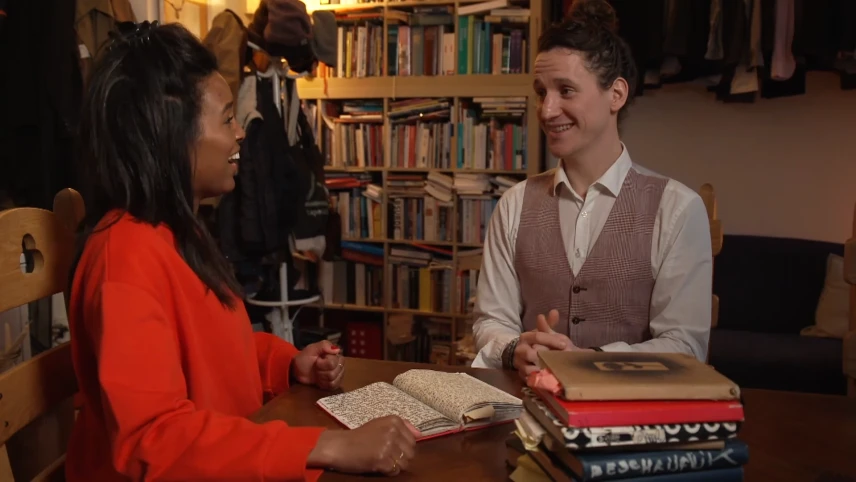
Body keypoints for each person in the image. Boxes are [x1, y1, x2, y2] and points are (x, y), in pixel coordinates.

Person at [66, 21, 416, 481]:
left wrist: (285, 363)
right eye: (227, 117)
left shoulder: (175, 234)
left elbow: (211, 348)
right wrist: (329, 445)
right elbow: (154, 441)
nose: (240, 134)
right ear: (171, 130)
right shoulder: (125, 259)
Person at [471, 0, 713, 379]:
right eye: (541, 92)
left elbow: (685, 345)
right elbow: (491, 321)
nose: (547, 110)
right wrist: (513, 347)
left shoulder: (678, 209)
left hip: (632, 420)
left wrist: (590, 360)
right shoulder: (514, 204)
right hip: (529, 413)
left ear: (616, 95)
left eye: (566, 90)